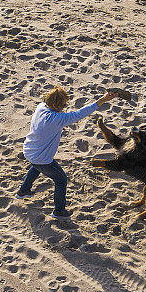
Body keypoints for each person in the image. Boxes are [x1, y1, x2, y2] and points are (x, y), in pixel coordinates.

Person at [17, 86, 120, 218]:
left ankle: (23, 191)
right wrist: (104, 99)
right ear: (55, 104)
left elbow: (48, 123)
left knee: (36, 166)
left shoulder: (41, 107)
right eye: (63, 105)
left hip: (29, 150)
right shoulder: (57, 119)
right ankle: (59, 211)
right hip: (40, 157)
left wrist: (57, 128)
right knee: (61, 180)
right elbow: (81, 113)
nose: (64, 107)